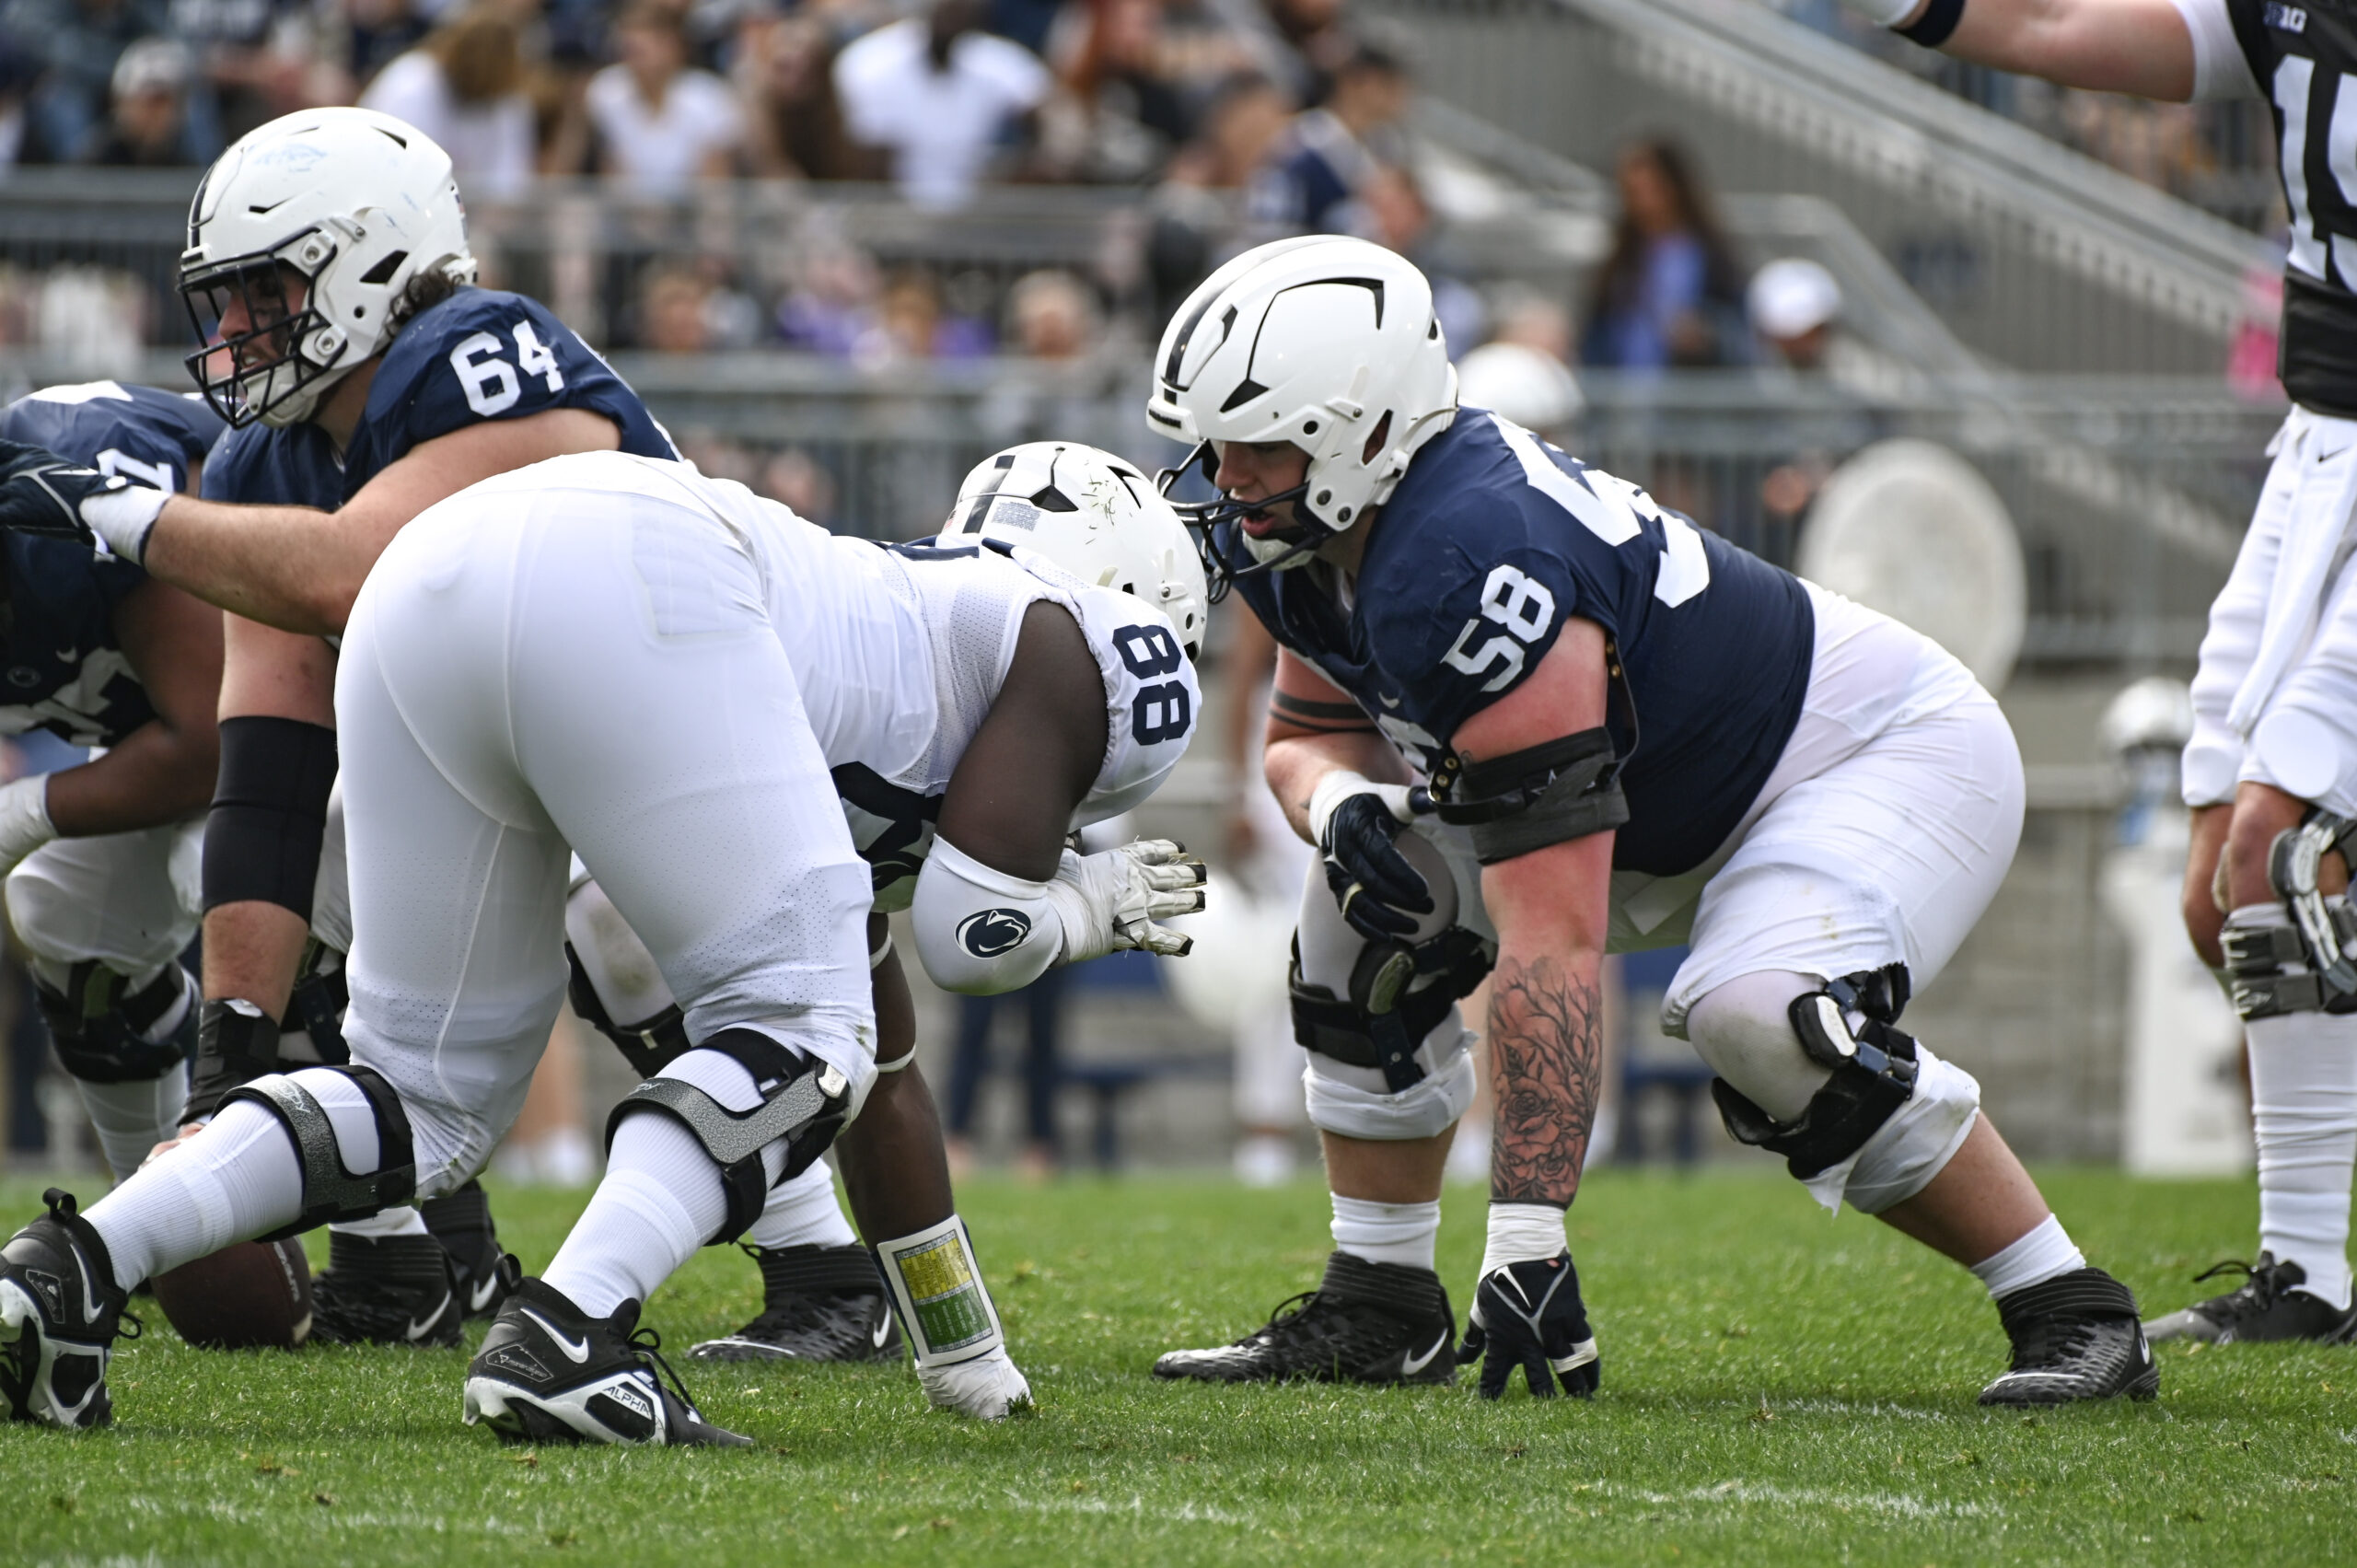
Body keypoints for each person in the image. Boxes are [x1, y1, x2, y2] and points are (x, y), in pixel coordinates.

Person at [0, 441, 1209, 1439]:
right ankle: (569, 1329)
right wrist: (1093, 904)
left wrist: (967, 1355)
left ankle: (70, 1267)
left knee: (424, 1098)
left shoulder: (895, 654)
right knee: (799, 1036)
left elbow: (883, 1083)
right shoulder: (1087, 643)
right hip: (633, 570)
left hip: (440, 575)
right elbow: (969, 936)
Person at [1142, 234, 2155, 1405]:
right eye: (1210, 442)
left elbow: (1553, 935)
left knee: (1762, 1018)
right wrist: (1344, 805)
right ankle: (1380, 1306)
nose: (1222, 475)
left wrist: (1528, 1238)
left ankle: (2070, 1303)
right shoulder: (1310, 526)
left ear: (1366, 428)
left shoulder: (1473, 558)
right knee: (1364, 904)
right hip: (1670, 791)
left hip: (1866, 757)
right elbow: (1299, 740)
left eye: (1255, 443)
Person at [0, 106, 680, 1346]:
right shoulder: (265, 456)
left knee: (638, 942)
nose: (239, 328)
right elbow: (259, 764)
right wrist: (228, 1057)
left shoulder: (474, 350)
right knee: (185, 891)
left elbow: (343, 575)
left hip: (676, 709)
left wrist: (127, 517)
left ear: (369, 258)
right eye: (230, 298)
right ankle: (363, 1242)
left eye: (266, 290)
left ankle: (814, 1263)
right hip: (488, 735)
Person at [1823, 0, 2357, 1347]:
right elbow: (2068, 26)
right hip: (2317, 448)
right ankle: (2306, 1276)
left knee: (2280, 848)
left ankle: (2310, 1273)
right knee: (2217, 891)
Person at [0, 380, 222, 1190]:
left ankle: (402, 1243)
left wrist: (22, 812)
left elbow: (214, 740)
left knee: (225, 869)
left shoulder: (65, 488)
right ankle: (158, 1213)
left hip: (334, 710)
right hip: (210, 735)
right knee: (64, 912)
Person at [833, 0, 1051, 210]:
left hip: (977, 217)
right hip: (890, 216)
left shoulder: (997, 59)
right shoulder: (868, 62)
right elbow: (866, 162)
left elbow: (1050, 111)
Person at [1579, 137, 1752, 372]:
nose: (1643, 203)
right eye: (1632, 192)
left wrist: (1705, 335)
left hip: (1686, 392)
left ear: (1674, 188)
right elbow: (1598, 333)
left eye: (1651, 190)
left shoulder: (1712, 258)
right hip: (1623, 390)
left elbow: (1739, 330)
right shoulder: (1620, 261)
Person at [357, 5, 537, 200]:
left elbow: (510, 186)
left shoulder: (507, 100)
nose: (480, 74)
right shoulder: (411, 85)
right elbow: (389, 173)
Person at [586, 2, 743, 194]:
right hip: (628, 212)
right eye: (628, 51)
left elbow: (714, 188)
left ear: (672, 47)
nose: (634, 61)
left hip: (690, 214)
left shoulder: (709, 98)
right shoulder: (606, 92)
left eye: (641, 51)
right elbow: (611, 173)